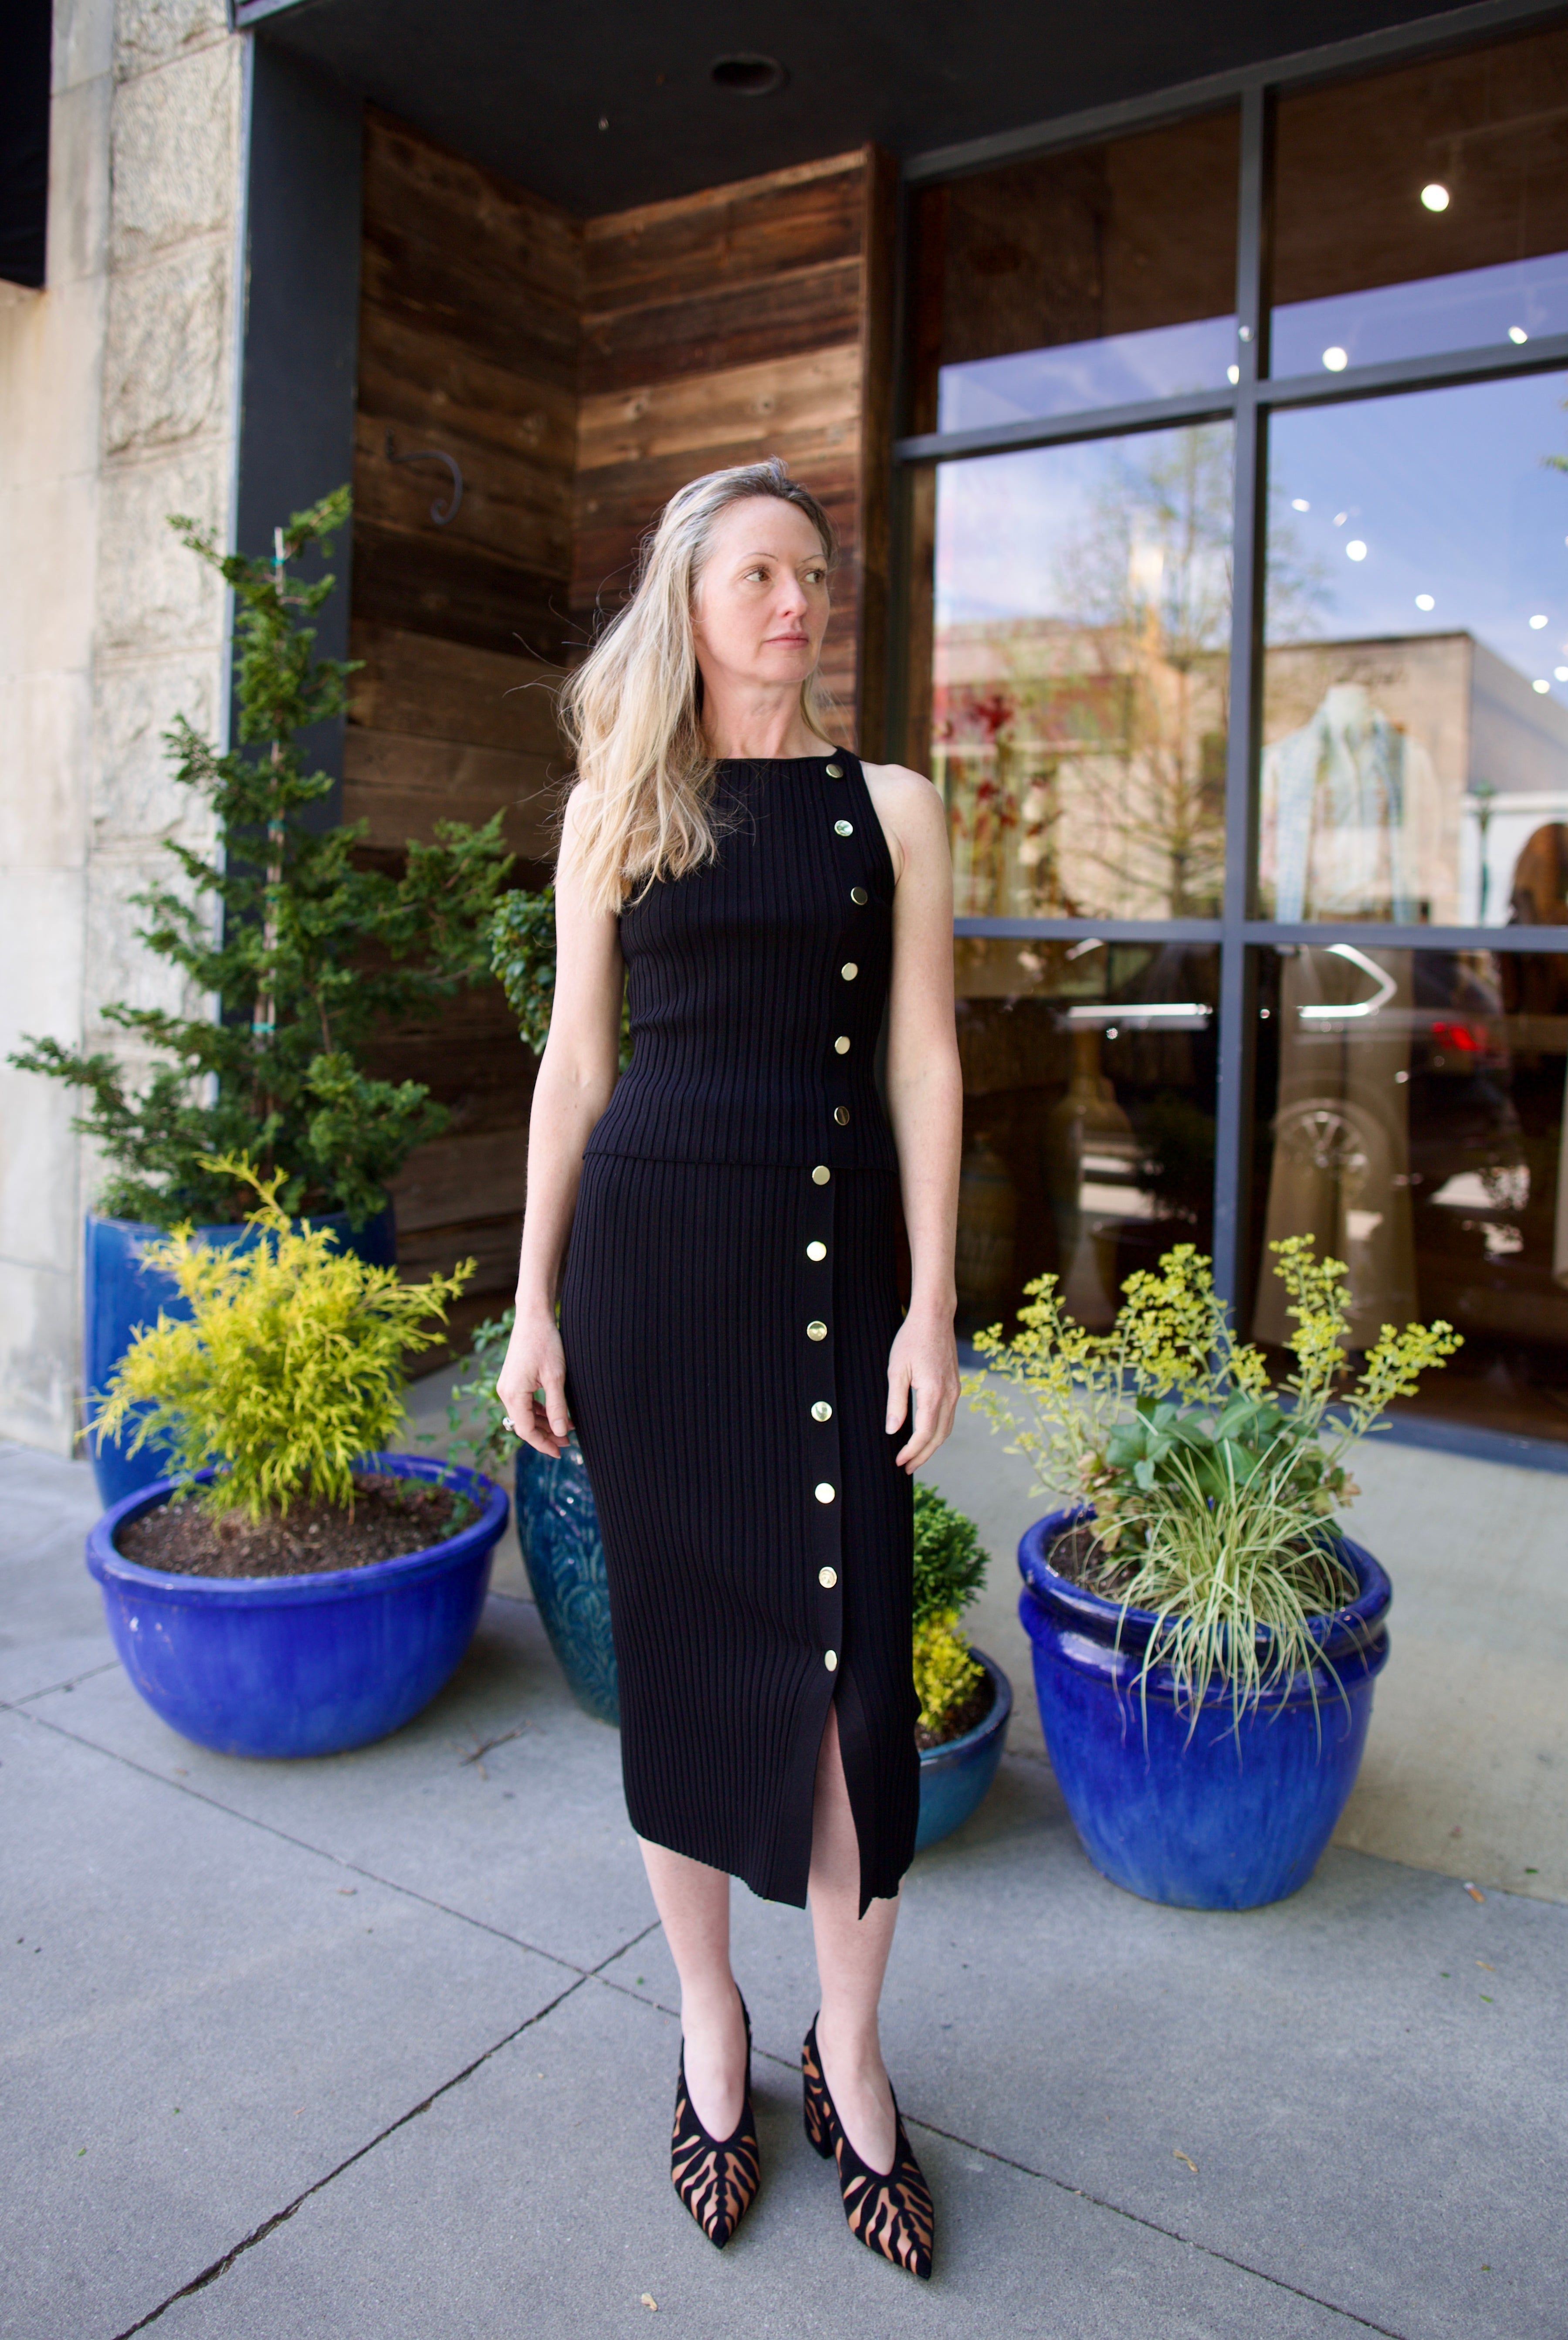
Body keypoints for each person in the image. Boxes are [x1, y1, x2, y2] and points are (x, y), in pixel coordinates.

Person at [496, 457, 962, 2278]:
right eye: (757, 571)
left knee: (856, 1685)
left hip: (834, 1281)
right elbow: (573, 1069)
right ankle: (712, 2026)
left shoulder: (897, 810)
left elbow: (924, 1062)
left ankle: (849, 2050)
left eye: (811, 572)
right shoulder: (617, 805)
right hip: (651, 1280)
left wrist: (935, 1303)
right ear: (688, 604)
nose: (795, 598)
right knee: (682, 1667)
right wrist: (533, 1302)